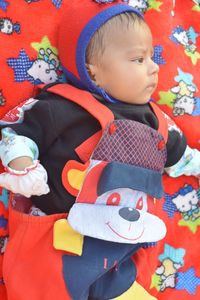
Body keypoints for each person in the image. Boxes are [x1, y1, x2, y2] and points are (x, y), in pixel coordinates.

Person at [0, 1, 199, 299]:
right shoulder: (62, 109)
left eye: (152, 56)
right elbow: (14, 134)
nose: (154, 67)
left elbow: (183, 159)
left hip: (120, 258)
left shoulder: (157, 123)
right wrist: (22, 163)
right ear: (93, 74)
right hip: (55, 246)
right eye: (138, 59)